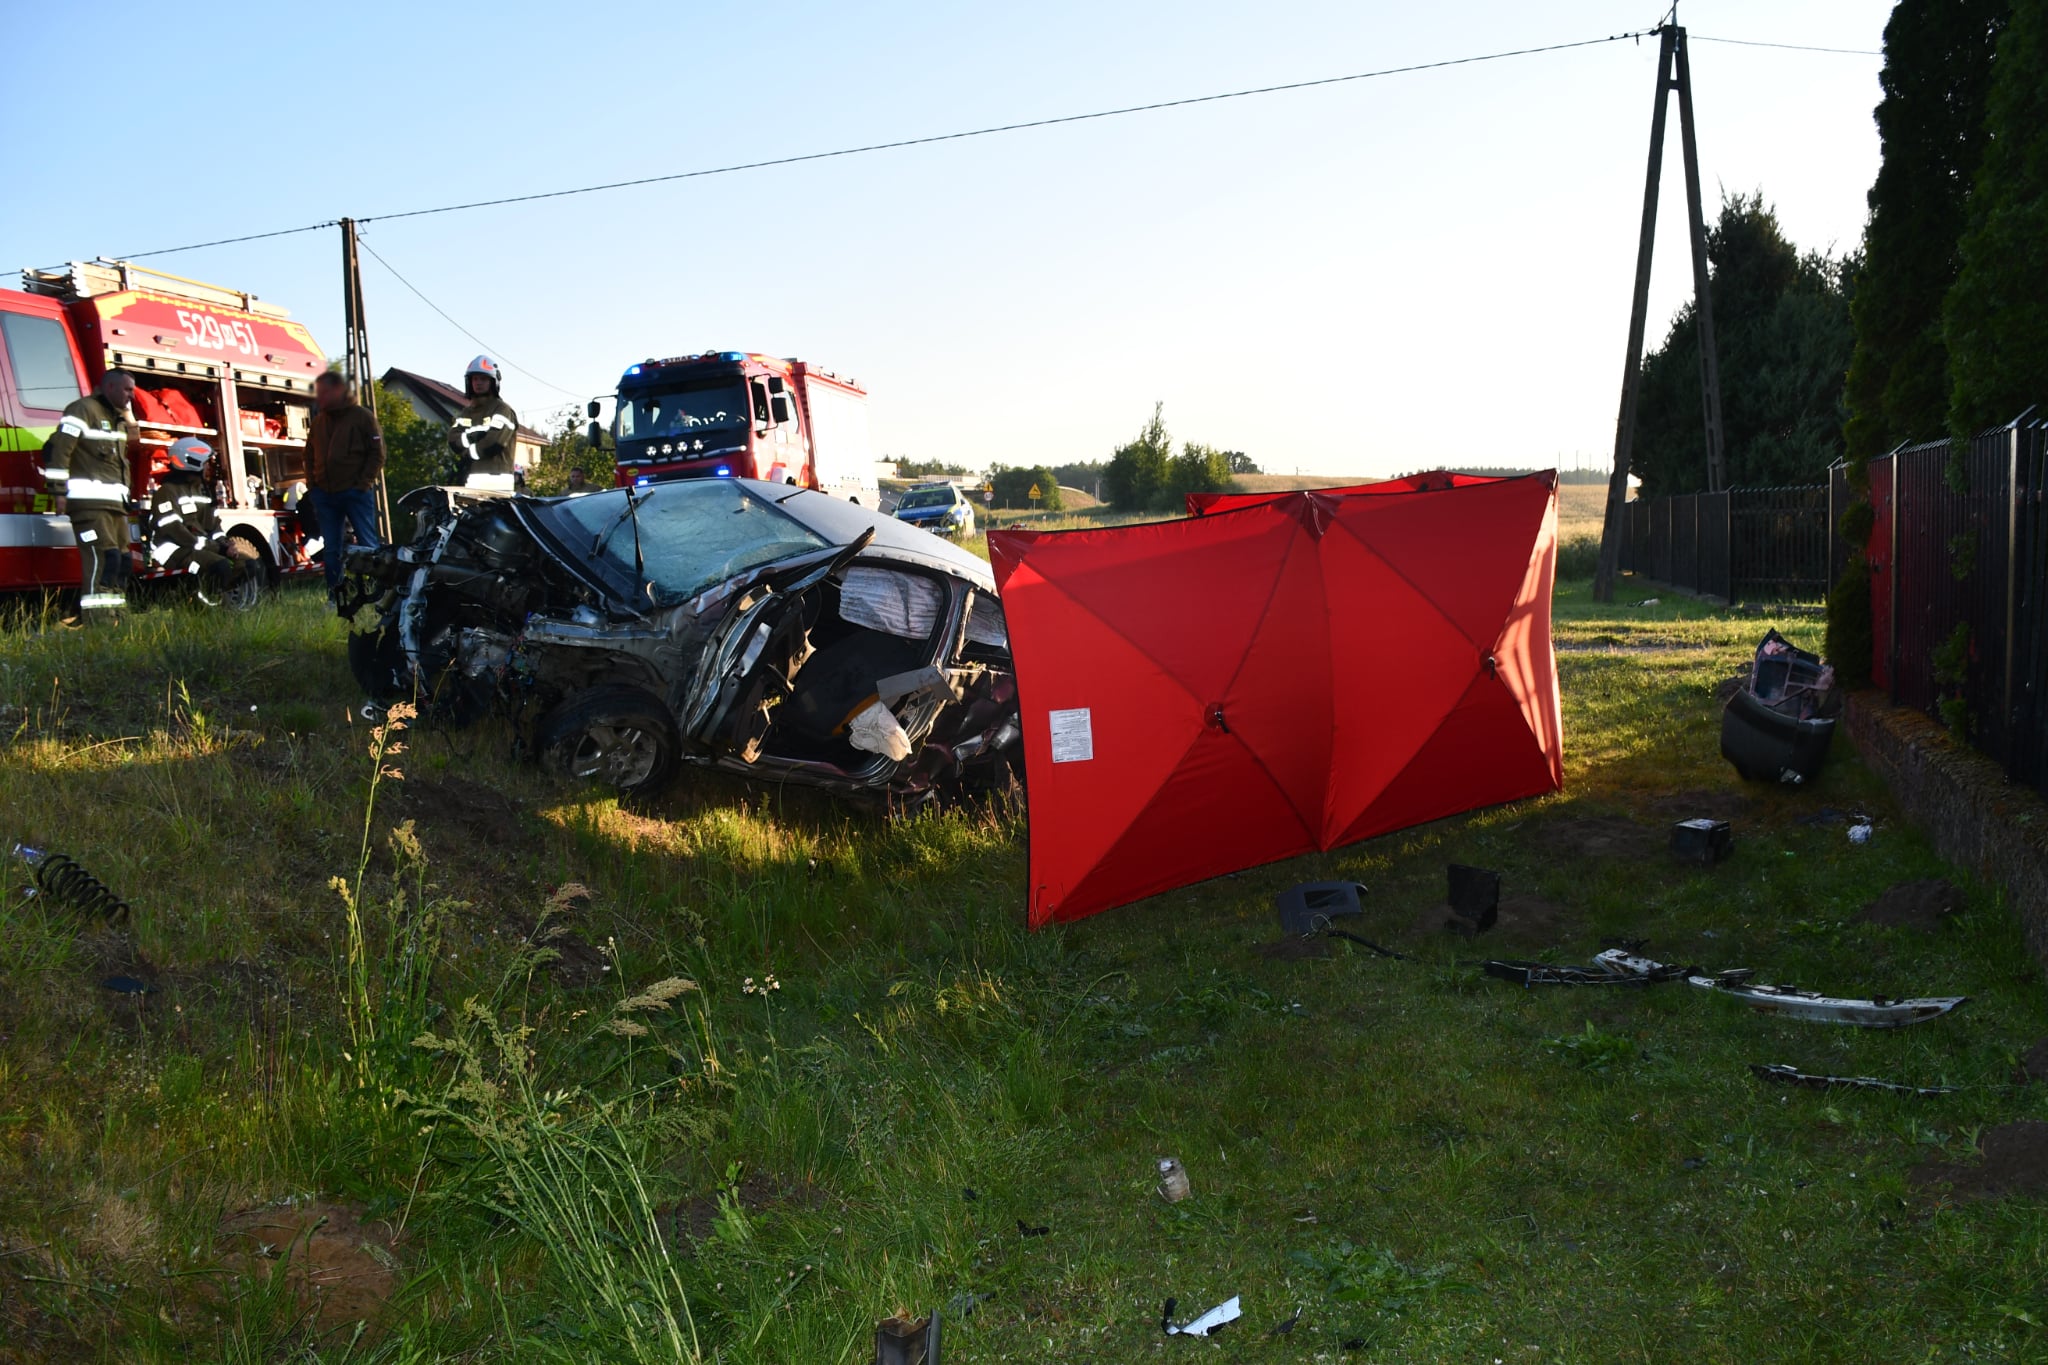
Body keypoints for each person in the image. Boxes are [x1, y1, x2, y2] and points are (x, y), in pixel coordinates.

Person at [42, 370, 138, 621]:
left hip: (115, 506)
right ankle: (100, 624)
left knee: (122, 562)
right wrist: (58, 492)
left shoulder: (116, 418)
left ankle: (117, 618)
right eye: (127, 389)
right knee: (104, 559)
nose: (132, 395)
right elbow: (60, 450)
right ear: (110, 387)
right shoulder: (82, 410)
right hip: (89, 506)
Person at [147, 437, 257, 603]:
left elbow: (213, 526)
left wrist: (226, 544)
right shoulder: (167, 492)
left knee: (249, 565)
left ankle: (214, 599)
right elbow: (176, 531)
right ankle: (204, 607)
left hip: (199, 548)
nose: (208, 467)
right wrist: (217, 549)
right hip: (174, 551)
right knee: (218, 566)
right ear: (192, 461)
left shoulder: (202, 491)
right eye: (206, 463)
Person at [306, 371, 385, 605]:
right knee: (331, 550)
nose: (320, 398)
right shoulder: (319, 421)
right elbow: (308, 454)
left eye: (324, 392)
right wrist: (313, 487)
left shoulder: (362, 417)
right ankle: (336, 596)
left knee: (368, 545)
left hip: (355, 493)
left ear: (338, 391)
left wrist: (362, 484)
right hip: (326, 495)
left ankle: (377, 595)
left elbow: (378, 453)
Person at [449, 355, 519, 492]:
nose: (478, 383)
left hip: (497, 484)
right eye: (475, 378)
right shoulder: (466, 412)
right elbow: (452, 440)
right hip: (470, 483)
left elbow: (494, 443)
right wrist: (476, 435)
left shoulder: (502, 409)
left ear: (493, 381)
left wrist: (467, 449)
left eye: (483, 378)